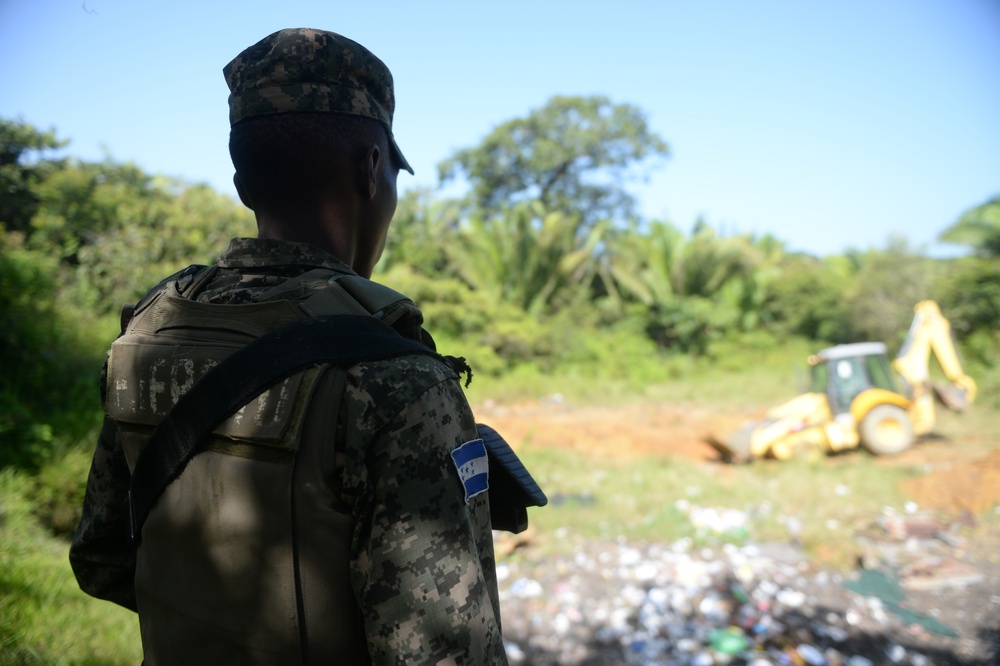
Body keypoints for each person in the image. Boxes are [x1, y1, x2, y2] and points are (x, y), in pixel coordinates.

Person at [70, 28, 508, 665]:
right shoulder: (393, 376)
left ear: (245, 183)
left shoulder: (149, 331)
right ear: (370, 169)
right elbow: (443, 651)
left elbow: (103, 559)